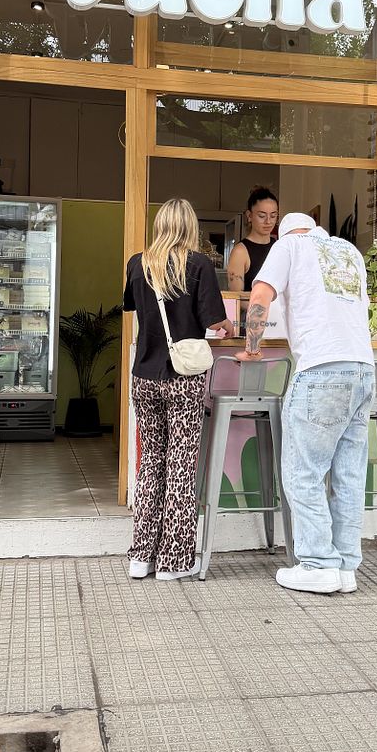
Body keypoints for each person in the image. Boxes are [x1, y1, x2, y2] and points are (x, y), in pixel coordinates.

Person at [236, 212, 375, 595]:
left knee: (303, 473)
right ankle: (345, 567)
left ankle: (317, 564)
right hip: (363, 368)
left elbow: (260, 296)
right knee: (348, 475)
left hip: (321, 370)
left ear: (285, 233)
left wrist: (252, 347)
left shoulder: (289, 246)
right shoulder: (348, 251)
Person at [123, 198, 229, 581]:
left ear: (160, 225)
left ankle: (141, 558)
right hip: (183, 379)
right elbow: (214, 323)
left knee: (150, 462)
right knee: (181, 465)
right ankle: (174, 561)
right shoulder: (198, 265)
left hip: (144, 376)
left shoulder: (138, 263)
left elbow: (132, 306)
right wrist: (229, 329)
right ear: (190, 227)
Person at [226, 187, 280, 293]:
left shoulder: (279, 247)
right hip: (252, 304)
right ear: (249, 215)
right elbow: (236, 297)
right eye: (262, 216)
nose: (268, 221)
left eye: (273, 216)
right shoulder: (240, 252)